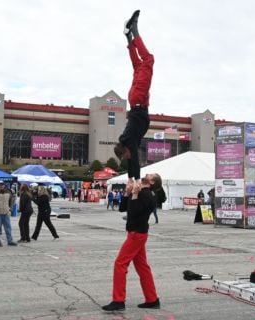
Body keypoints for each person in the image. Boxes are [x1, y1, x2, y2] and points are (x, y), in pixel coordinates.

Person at [102, 173, 161, 312]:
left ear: (151, 181)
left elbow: (134, 212)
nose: (147, 174)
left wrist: (134, 194)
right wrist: (128, 194)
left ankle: (118, 300)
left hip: (137, 234)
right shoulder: (142, 192)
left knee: (120, 264)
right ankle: (152, 299)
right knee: (142, 267)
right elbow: (123, 209)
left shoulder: (148, 194)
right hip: (137, 233)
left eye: (150, 175)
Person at [114, 10, 154, 188]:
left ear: (124, 151)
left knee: (148, 60)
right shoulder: (128, 141)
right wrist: (129, 178)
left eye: (125, 157)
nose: (128, 159)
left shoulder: (128, 140)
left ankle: (134, 30)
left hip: (138, 99)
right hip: (138, 100)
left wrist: (136, 181)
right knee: (139, 65)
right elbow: (132, 162)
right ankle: (128, 37)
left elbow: (135, 161)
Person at [0, 180, 17, 247]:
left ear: (4, 185)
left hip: (6, 213)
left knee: (8, 228)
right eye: (0, 184)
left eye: (2, 184)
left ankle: (10, 241)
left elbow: (11, 202)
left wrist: (10, 210)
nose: (1, 186)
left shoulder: (8, 192)